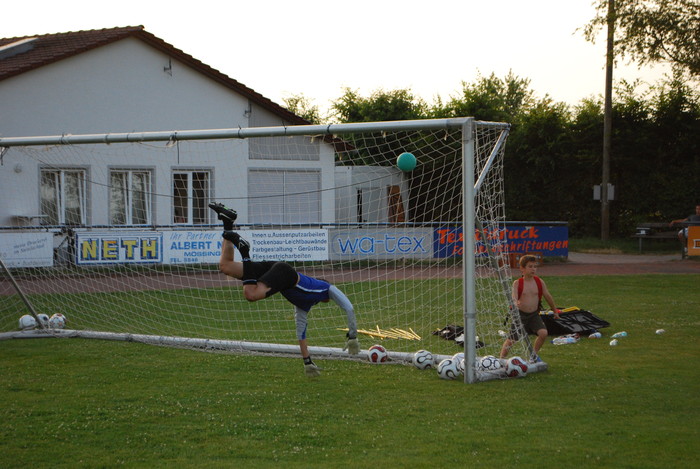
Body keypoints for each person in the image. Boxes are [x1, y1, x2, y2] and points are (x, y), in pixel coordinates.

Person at [209, 202, 360, 377]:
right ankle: (244, 250)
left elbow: (301, 332)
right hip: (285, 274)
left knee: (226, 266)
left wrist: (307, 361)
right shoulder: (326, 288)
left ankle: (228, 222)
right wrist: (353, 336)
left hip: (276, 269)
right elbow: (348, 307)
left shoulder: (304, 305)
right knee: (251, 294)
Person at [500, 254, 560, 363]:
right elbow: (514, 297)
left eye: (535, 266)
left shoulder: (539, 282)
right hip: (520, 315)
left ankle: (533, 355)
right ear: (522, 269)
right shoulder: (518, 283)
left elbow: (548, 296)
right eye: (530, 266)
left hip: (534, 315)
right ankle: (501, 359)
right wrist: (515, 303)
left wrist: (555, 311)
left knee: (543, 333)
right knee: (512, 339)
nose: (533, 269)